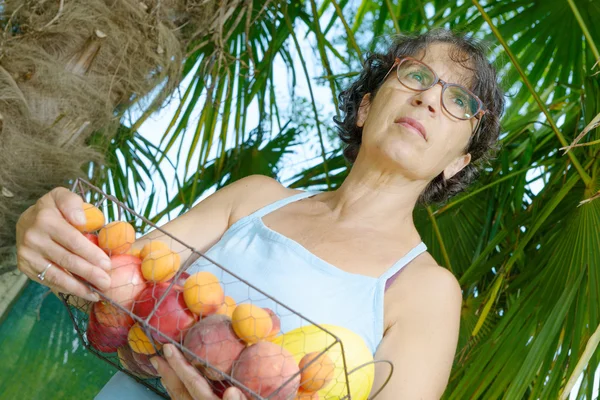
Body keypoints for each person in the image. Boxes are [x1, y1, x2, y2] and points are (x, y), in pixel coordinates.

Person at [16, 28, 504, 400]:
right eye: (416, 75)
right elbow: (114, 287)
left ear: (456, 162)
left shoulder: (427, 290)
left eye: (460, 100)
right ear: (366, 107)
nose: (429, 98)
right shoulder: (254, 198)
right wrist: (53, 242)